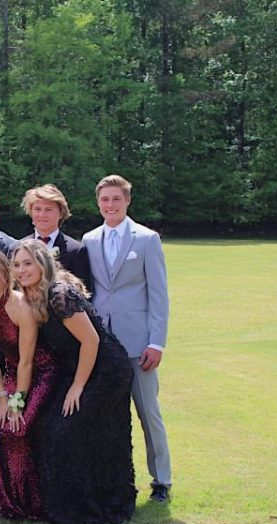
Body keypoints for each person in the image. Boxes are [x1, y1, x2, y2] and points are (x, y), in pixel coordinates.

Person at [12, 240, 135, 524]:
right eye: (16, 265)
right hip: (75, 367)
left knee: (67, 429)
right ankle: (59, 501)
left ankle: (93, 503)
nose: (21, 270)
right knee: (51, 427)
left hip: (104, 370)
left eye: (28, 263)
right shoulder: (29, 296)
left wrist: (78, 387)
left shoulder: (59, 294)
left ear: (43, 264)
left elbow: (91, 340)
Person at [82, 174, 172, 502]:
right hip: (101, 344)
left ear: (127, 201)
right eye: (104, 199)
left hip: (139, 345)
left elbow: (159, 295)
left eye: (115, 199)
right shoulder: (89, 240)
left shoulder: (147, 239)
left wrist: (156, 342)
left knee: (148, 412)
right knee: (104, 415)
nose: (110, 205)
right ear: (98, 202)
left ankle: (161, 480)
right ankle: (111, 480)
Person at [0, 249, 55, 520]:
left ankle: (35, 503)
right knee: (5, 427)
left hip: (41, 370)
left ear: (7, 276)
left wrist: (18, 402)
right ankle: (8, 503)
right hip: (9, 371)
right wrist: (2, 397)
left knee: (19, 426)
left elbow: (28, 360)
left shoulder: (21, 306)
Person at [20, 184, 93, 293]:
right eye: (37, 209)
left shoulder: (76, 251)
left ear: (61, 213)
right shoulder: (17, 248)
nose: (42, 214)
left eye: (48, 209)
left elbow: (84, 293)